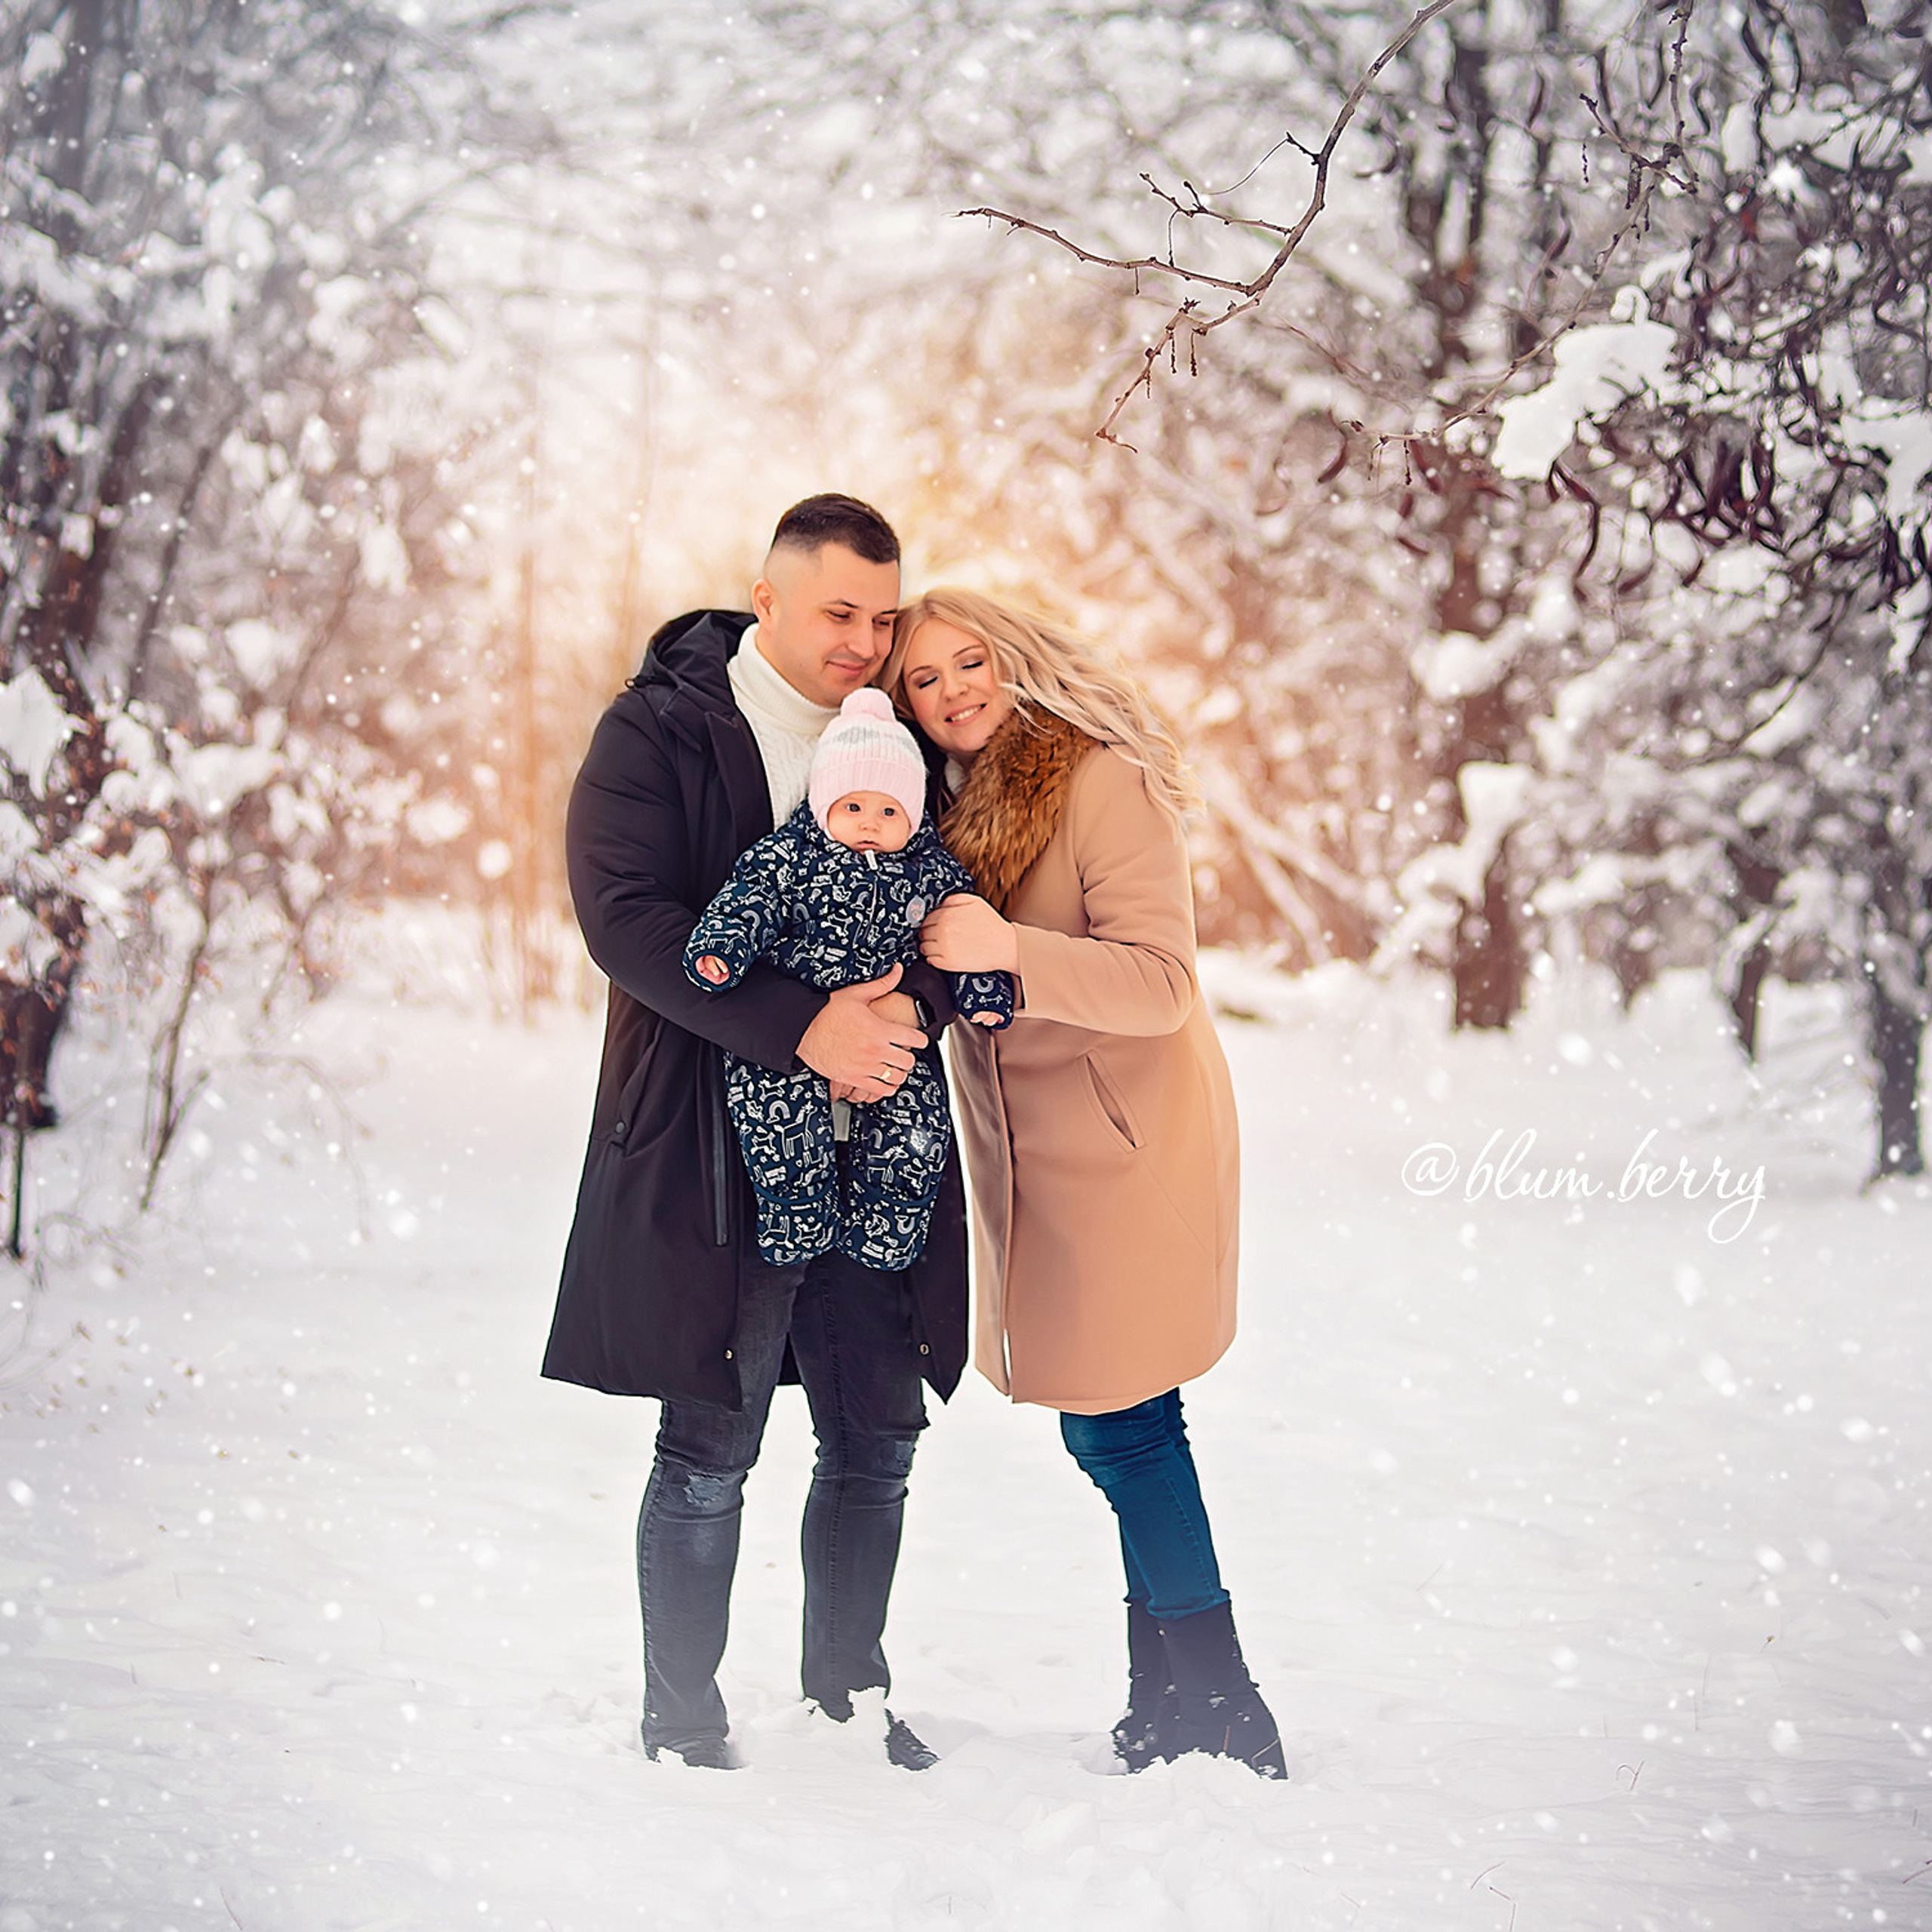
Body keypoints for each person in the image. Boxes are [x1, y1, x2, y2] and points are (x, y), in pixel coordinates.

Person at [543, 496, 968, 1774]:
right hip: (710, 1147)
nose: (865, 641)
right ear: (769, 597)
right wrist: (801, 1028)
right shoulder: (664, 729)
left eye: (884, 618)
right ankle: (682, 1723)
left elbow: (951, 906)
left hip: (880, 1144)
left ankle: (849, 1703)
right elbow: (625, 919)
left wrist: (908, 1015)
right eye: (840, 612)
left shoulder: (901, 744)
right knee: (712, 1447)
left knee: (877, 1439)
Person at [882, 586, 1287, 1779]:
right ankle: (1162, 1698)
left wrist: (1012, 951)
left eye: (971, 662)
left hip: (1127, 1144)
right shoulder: (929, 817)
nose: (954, 690)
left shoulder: (1096, 778)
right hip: (1035, 1159)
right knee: (1128, 1420)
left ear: (1014, 659)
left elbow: (1160, 980)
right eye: (925, 679)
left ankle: (1224, 1699)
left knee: (1121, 1429)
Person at [684, 687, 1013, 1272]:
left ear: (911, 816)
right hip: (795, 1026)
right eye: (853, 807)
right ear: (823, 804)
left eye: (890, 811)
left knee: (918, 1129)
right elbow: (748, 902)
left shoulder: (930, 871)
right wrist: (723, 950)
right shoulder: (789, 858)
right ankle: (796, 1215)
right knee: (775, 1118)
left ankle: (888, 1229)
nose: (870, 824)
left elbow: (966, 930)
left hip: (893, 1040)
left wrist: (983, 990)